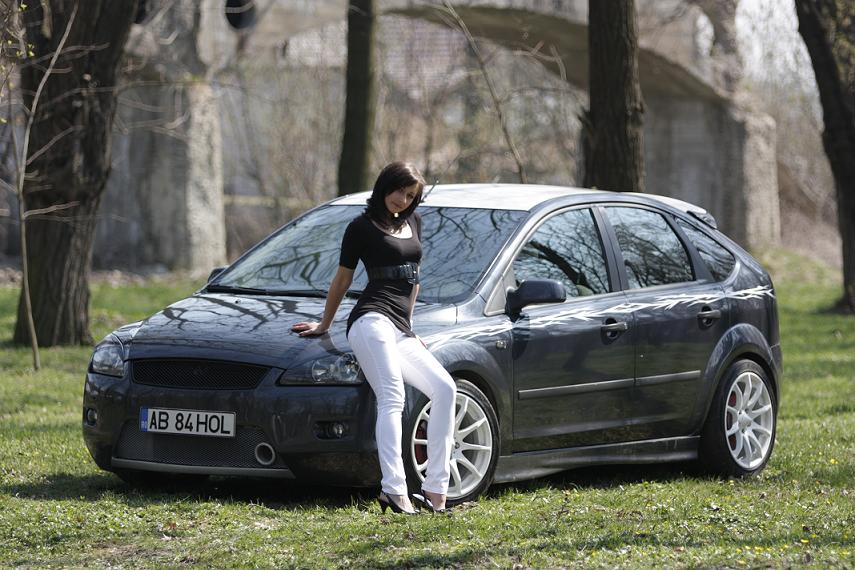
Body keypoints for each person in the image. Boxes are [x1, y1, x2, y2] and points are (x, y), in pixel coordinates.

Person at [291, 162, 457, 515]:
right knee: (393, 395)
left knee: (445, 389)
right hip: (370, 320)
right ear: (384, 186)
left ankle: (436, 491)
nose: (403, 200)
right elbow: (342, 279)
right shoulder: (361, 227)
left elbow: (414, 280)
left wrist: (410, 327)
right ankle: (394, 490)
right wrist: (324, 323)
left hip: (400, 326)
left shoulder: (414, 222)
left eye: (411, 196)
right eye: (399, 191)